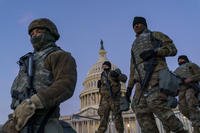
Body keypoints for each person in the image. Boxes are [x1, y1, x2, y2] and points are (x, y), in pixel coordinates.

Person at [2, 18, 77, 133]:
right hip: (18, 120)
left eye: (38, 32)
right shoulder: (28, 60)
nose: (34, 36)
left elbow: (65, 85)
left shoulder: (60, 56)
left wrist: (33, 103)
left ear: (50, 33)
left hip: (44, 119)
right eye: (32, 34)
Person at [125, 16, 188, 133]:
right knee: (139, 108)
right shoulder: (134, 45)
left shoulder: (155, 35)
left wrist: (155, 51)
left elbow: (173, 49)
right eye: (134, 25)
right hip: (140, 82)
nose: (136, 26)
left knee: (156, 103)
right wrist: (129, 89)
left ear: (144, 24)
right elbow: (132, 68)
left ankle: (180, 130)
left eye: (139, 23)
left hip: (156, 75)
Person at [96, 61, 127, 133]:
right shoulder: (102, 75)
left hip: (114, 98)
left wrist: (118, 74)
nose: (104, 67)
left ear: (109, 66)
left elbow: (124, 79)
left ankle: (120, 131)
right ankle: (100, 131)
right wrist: (100, 86)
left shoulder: (114, 73)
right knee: (103, 118)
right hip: (105, 99)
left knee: (117, 117)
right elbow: (102, 88)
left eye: (105, 65)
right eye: (103, 66)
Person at [174, 55, 200, 133]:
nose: (180, 61)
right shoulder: (176, 71)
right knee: (182, 108)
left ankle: (196, 128)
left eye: (181, 59)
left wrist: (191, 79)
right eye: (179, 60)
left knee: (191, 103)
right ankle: (196, 121)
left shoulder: (191, 65)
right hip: (181, 91)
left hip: (191, 87)